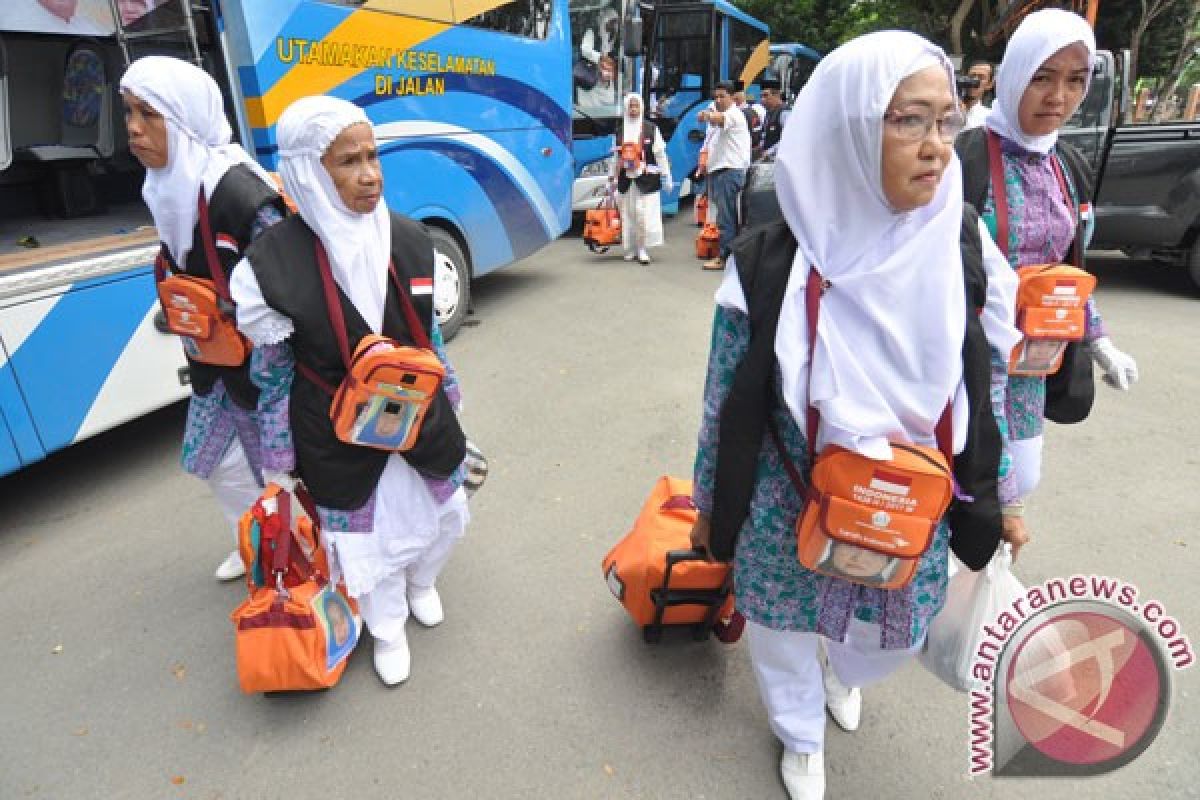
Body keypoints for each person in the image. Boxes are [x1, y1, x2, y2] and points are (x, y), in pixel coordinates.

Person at [688, 31, 1023, 799]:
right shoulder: (770, 260)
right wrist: (712, 505)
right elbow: (722, 399)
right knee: (781, 629)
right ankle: (799, 731)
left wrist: (999, 493)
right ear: (849, 126)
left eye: (947, 121)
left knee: (886, 632)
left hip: (910, 502)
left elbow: (986, 378)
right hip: (788, 495)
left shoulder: (959, 245)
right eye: (908, 120)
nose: (937, 146)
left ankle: (846, 672)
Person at [230, 96, 471, 687]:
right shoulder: (272, 264)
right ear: (311, 170)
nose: (370, 174)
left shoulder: (411, 238)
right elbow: (273, 372)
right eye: (348, 161)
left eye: (372, 156)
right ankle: (387, 624)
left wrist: (451, 394)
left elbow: (430, 333)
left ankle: (423, 580)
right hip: (333, 426)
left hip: (416, 411)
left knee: (449, 511)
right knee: (368, 539)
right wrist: (279, 461)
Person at [956, 9, 1139, 547]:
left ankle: (985, 578)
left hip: (1034, 362)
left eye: (1075, 80)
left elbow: (1070, 270)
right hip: (967, 360)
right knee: (978, 485)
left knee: (1023, 477)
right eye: (1042, 76)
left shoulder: (1069, 165)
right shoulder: (963, 159)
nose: (1058, 96)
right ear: (1014, 74)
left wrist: (1101, 343)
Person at [120, 56, 288, 582]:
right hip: (213, 362)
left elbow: (287, 283)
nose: (132, 127)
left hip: (265, 369)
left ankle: (300, 556)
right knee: (216, 461)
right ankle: (254, 539)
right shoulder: (166, 185)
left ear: (186, 119)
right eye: (128, 112)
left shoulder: (239, 193)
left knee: (283, 471)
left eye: (149, 114)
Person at [610, 93, 672, 264]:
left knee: (643, 215)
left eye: (636, 106)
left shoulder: (651, 129)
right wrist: (612, 178)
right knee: (627, 214)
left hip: (646, 180)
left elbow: (660, 154)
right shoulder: (620, 131)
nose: (633, 109)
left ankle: (642, 248)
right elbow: (615, 157)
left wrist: (666, 175)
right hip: (626, 180)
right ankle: (629, 248)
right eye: (630, 106)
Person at [696, 81, 751, 271]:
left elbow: (718, 119)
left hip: (729, 172)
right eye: (716, 97)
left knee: (726, 218)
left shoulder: (733, 115)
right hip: (722, 171)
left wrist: (707, 115)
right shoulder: (727, 116)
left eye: (722, 96)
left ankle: (725, 258)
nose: (718, 100)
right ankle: (730, 256)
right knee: (726, 216)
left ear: (732, 97)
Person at [757, 79, 789, 160]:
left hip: (779, 161)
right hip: (769, 160)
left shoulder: (784, 112)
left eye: (765, 95)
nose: (762, 99)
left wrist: (769, 151)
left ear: (777, 95)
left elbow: (788, 139)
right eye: (761, 96)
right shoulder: (768, 113)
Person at [960, 60, 995, 131]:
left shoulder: (990, 118)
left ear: (989, 84)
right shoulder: (948, 111)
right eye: (972, 76)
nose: (974, 81)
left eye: (981, 77)